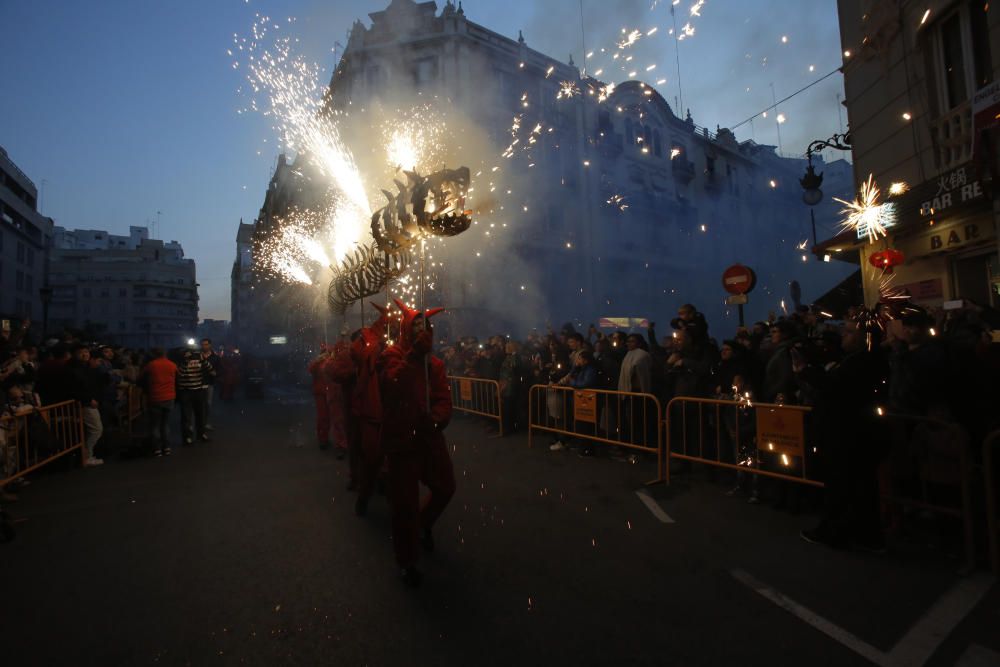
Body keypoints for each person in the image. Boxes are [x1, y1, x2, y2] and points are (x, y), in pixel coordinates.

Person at [380, 299, 456, 587]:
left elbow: (442, 399)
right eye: (417, 326)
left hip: (429, 437)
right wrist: (414, 356)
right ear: (405, 329)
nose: (422, 330)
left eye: (426, 326)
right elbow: (392, 386)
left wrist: (436, 420)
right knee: (404, 505)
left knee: (446, 487)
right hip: (402, 440)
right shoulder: (392, 355)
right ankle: (407, 560)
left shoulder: (434, 363)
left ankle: (422, 525)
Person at [66, 345, 104, 466]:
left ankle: (87, 455)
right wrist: (88, 399)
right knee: (96, 429)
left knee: (91, 430)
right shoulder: (73, 369)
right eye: (81, 352)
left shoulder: (84, 368)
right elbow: (76, 388)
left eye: (86, 352)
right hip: (85, 404)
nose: (85, 354)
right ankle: (87, 456)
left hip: (88, 401)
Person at [141, 348, 177, 457]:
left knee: (155, 424)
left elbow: (141, 377)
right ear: (165, 354)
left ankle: (157, 449)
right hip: (169, 397)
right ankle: (166, 447)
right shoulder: (172, 364)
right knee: (165, 423)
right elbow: (177, 377)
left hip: (155, 397)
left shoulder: (151, 365)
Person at [177, 347, 209, 445]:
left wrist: (203, 360)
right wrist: (186, 362)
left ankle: (200, 434)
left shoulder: (200, 358)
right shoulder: (182, 360)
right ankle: (188, 437)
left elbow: (209, 368)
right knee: (187, 416)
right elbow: (180, 373)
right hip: (186, 391)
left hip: (197, 390)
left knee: (200, 414)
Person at [308, 346, 334, 450]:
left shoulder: (332, 362)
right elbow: (311, 369)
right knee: (323, 417)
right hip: (321, 393)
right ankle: (323, 439)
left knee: (335, 418)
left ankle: (331, 439)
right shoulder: (318, 363)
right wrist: (318, 360)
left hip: (331, 393)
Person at [199, 339, 221, 430]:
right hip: (197, 383)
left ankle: (205, 423)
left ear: (210, 345)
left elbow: (219, 369)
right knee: (198, 404)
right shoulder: (197, 355)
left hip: (209, 383)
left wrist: (215, 373)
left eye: (206, 344)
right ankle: (198, 423)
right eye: (202, 344)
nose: (204, 346)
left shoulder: (215, 357)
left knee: (207, 404)